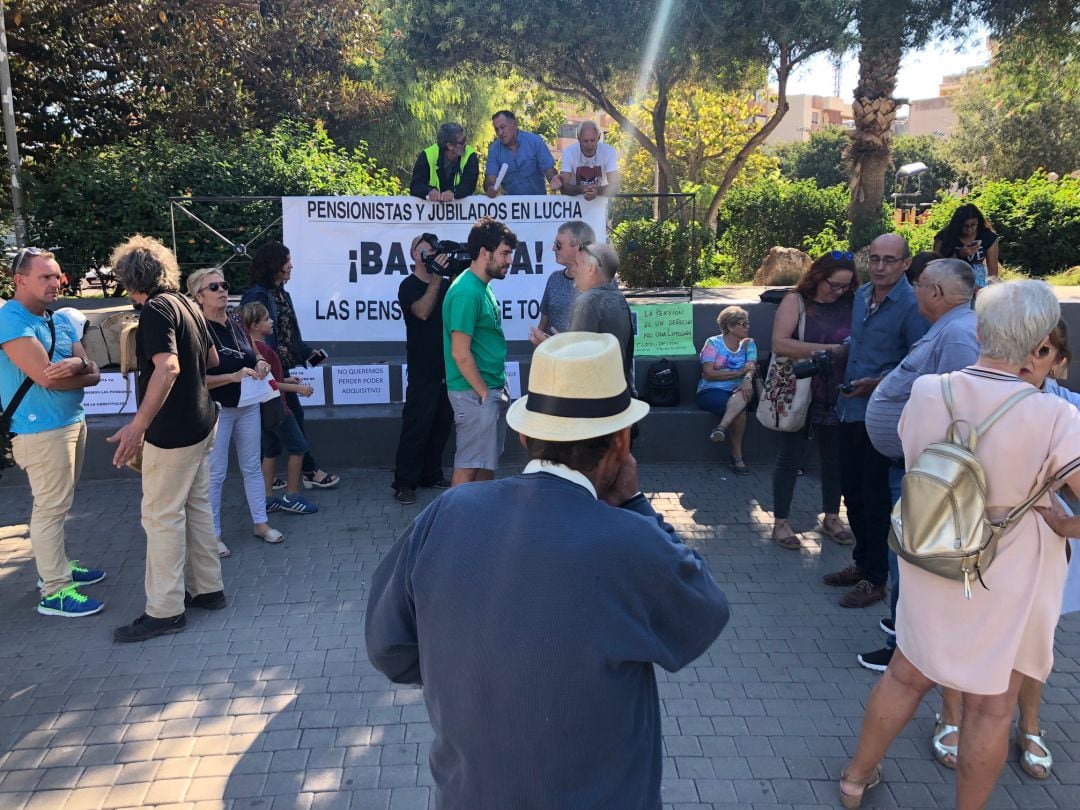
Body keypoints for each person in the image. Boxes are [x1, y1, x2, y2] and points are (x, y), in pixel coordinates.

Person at [365, 331, 730, 810]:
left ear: (524, 434)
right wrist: (638, 505)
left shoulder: (447, 511)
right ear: (621, 442)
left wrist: (475, 676)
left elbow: (389, 647)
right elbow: (703, 615)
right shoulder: (634, 542)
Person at [838, 280, 1080, 810]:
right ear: (1042, 344)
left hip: (933, 551)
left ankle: (855, 781)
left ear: (980, 329)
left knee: (905, 676)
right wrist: (1067, 527)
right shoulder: (1055, 415)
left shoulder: (930, 391)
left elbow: (909, 449)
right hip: (1008, 570)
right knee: (993, 708)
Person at [933, 318, 1076, 779]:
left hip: (1037, 547)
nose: (1030, 361)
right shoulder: (978, 397)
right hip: (965, 540)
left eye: (1044, 352)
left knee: (1034, 641)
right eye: (1025, 348)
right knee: (961, 631)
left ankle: (1029, 725)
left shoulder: (1068, 410)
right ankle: (951, 715)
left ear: (1060, 363)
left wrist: (1067, 524)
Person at [858, 258, 979, 673]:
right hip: (910, 466)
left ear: (939, 293)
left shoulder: (961, 335)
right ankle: (902, 635)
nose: (915, 290)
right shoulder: (947, 328)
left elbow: (960, 410)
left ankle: (905, 652)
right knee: (902, 559)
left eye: (920, 283)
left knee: (909, 562)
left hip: (928, 473)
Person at [106, 235, 225, 643]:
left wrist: (137, 424)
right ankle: (208, 589)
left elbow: (168, 367)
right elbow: (211, 360)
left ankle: (164, 611)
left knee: (161, 519)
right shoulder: (187, 305)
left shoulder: (155, 309)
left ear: (128, 279)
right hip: (202, 423)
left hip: (172, 433)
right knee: (196, 508)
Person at [823, 234, 929, 609]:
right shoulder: (863, 294)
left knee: (876, 499)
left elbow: (920, 362)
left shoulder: (913, 305)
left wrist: (877, 383)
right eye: (875, 258)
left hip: (884, 418)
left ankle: (876, 578)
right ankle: (861, 563)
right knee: (851, 492)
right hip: (850, 410)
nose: (880, 266)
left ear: (905, 263)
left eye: (889, 260)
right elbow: (860, 343)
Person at [0, 247, 104, 617]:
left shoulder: (59, 318)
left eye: (56, 275)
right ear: (20, 279)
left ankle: (58, 564)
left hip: (72, 422)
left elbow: (93, 373)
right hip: (40, 430)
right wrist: (77, 367)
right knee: (50, 507)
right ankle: (55, 589)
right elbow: (46, 378)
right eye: (45, 276)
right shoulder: (11, 321)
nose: (55, 283)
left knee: (61, 503)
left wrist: (77, 364)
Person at [188, 268, 289, 557]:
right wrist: (231, 378)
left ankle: (261, 523)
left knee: (252, 468)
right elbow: (197, 377)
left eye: (224, 284)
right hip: (219, 408)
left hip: (249, 404)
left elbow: (251, 352)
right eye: (214, 286)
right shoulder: (197, 328)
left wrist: (260, 363)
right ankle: (214, 534)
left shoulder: (235, 321)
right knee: (216, 473)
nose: (222, 290)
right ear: (199, 295)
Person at [768, 251, 855, 549]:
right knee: (790, 457)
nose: (839, 291)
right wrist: (830, 350)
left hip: (838, 391)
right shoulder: (796, 301)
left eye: (845, 286)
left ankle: (832, 517)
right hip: (802, 390)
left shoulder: (850, 301)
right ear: (818, 276)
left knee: (835, 460)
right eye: (834, 284)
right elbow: (780, 343)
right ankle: (781, 522)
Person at [239, 241, 339, 490]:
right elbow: (249, 338)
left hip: (282, 371)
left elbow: (290, 335)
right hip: (267, 374)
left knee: (273, 431)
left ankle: (268, 481)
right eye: (286, 261)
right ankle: (307, 472)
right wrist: (265, 366)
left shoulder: (284, 294)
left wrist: (308, 353)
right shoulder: (257, 296)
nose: (291, 266)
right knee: (288, 422)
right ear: (274, 264)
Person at [443, 218, 517, 485]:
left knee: (486, 464)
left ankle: (481, 520)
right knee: (469, 466)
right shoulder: (466, 292)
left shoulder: (481, 286)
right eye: (505, 253)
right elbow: (459, 353)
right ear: (484, 252)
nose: (509, 261)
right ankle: (453, 525)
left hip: (488, 389)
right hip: (474, 393)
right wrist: (484, 394)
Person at [391, 234, 453, 505]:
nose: (432, 255)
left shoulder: (450, 284)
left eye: (435, 250)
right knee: (417, 425)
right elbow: (423, 311)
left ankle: (431, 473)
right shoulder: (408, 285)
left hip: (448, 365)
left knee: (441, 424)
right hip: (422, 368)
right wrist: (437, 277)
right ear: (415, 255)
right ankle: (405, 482)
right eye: (426, 251)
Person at [238, 302, 318, 515]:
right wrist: (297, 387)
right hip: (277, 409)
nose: (271, 321)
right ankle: (292, 496)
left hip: (263, 411)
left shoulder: (252, 349)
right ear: (254, 325)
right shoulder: (261, 350)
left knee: (271, 452)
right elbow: (270, 384)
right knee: (299, 448)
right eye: (266, 319)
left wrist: (287, 379)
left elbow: (271, 379)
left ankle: (265, 498)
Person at [531, 243, 634, 389]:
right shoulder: (618, 298)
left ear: (591, 269)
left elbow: (577, 365)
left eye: (577, 264)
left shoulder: (586, 302)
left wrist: (549, 346)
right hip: (616, 393)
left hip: (592, 398)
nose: (572, 270)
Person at [696, 306, 757, 476]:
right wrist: (738, 373)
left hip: (739, 389)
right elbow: (709, 373)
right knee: (740, 411)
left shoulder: (749, 343)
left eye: (747, 323)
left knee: (741, 397)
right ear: (730, 327)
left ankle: (721, 428)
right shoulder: (713, 343)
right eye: (742, 323)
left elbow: (751, 366)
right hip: (711, 390)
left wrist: (747, 380)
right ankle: (737, 457)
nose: (747, 327)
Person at [483, 110, 562, 197]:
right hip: (512, 207)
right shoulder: (494, 150)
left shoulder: (535, 141)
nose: (500, 133)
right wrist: (490, 187)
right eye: (496, 129)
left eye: (502, 127)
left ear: (515, 124)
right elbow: (491, 177)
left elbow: (548, 169)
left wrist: (553, 179)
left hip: (538, 206)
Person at [537, 220, 594, 336]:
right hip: (552, 354)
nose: (553, 248)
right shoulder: (554, 279)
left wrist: (567, 346)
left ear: (579, 246)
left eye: (559, 244)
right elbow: (543, 325)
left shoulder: (602, 281)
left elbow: (611, 334)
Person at [933, 203, 1000, 289]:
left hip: (978, 281)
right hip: (950, 281)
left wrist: (991, 290)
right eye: (965, 226)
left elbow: (993, 272)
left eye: (973, 225)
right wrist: (960, 254)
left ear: (978, 222)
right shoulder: (944, 237)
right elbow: (936, 267)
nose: (969, 229)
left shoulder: (987, 236)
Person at [408, 123, 479, 201]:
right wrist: (429, 191)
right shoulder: (427, 155)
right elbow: (415, 185)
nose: (465, 144)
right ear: (450, 146)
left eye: (465, 140)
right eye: (462, 142)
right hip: (432, 211)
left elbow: (469, 185)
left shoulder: (470, 155)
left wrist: (453, 192)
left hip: (461, 211)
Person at [558, 121, 620, 200]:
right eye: (586, 141)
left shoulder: (609, 151)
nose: (589, 145)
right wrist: (582, 189)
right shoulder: (569, 152)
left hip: (599, 205)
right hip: (575, 206)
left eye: (592, 140)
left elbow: (615, 186)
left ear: (599, 137)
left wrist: (597, 190)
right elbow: (564, 188)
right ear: (579, 139)